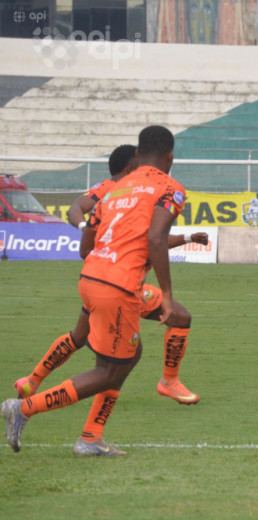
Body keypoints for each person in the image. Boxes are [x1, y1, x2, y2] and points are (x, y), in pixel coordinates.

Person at [3, 125, 188, 456]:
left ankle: (91, 437)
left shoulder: (114, 189)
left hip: (92, 278)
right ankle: (25, 409)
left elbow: (86, 246)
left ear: (137, 153)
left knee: (128, 356)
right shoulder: (168, 188)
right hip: (118, 286)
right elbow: (155, 239)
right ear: (170, 157)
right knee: (107, 371)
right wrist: (168, 297)